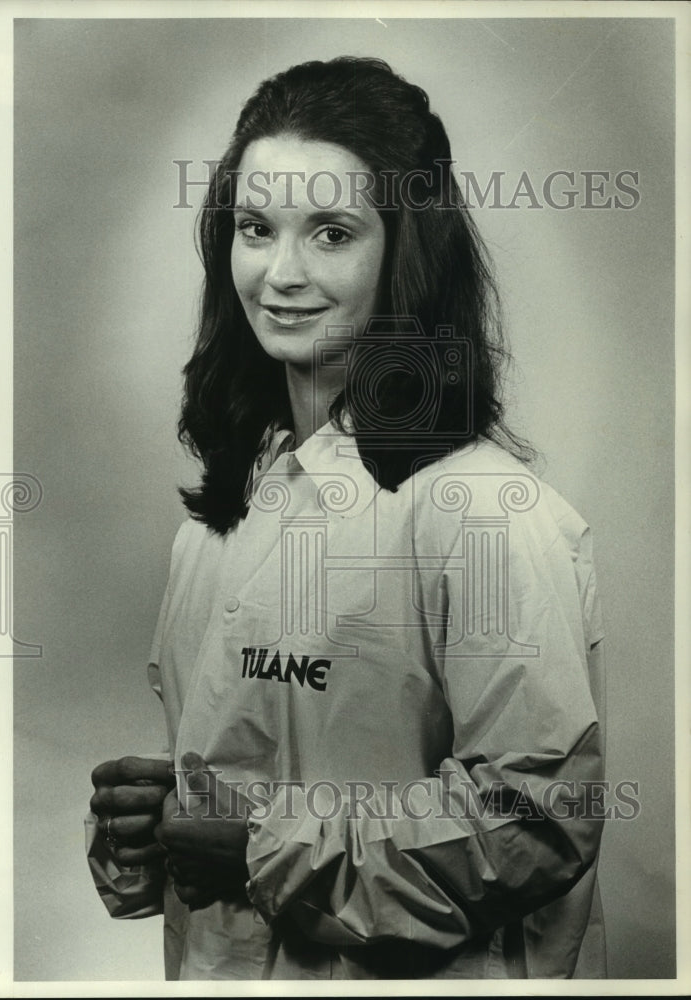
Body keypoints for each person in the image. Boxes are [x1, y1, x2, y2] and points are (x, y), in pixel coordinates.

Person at [86, 56, 606, 980]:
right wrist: (162, 815)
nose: (279, 273)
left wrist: (257, 842)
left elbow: (538, 823)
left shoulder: (483, 512)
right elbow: (258, 789)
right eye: (255, 228)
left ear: (405, 251)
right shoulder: (220, 519)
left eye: (331, 232)